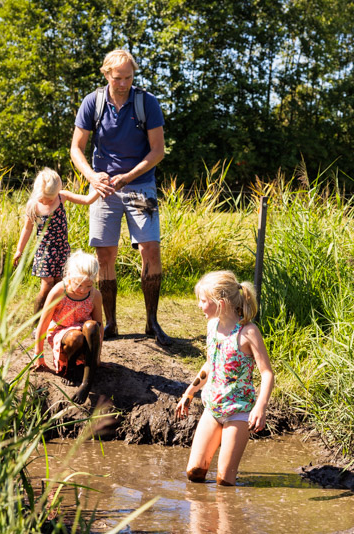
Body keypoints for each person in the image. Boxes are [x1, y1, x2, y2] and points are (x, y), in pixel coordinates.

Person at [70, 49, 171, 346]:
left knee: (150, 249)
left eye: (129, 77)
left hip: (140, 187)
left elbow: (158, 150)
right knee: (105, 255)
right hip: (103, 188)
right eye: (118, 78)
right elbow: (76, 148)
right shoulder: (93, 102)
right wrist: (92, 177)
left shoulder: (146, 102)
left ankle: (152, 322)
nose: (124, 82)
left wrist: (129, 176)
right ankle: (110, 323)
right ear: (106, 74)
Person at [175, 271, 275, 486]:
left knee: (224, 482)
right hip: (212, 407)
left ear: (219, 303)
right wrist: (189, 392)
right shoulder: (212, 326)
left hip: (238, 412)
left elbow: (267, 373)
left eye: (203, 301)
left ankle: (228, 518)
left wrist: (260, 407)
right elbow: (211, 364)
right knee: (194, 473)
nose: (199, 306)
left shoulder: (248, 333)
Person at [13, 168, 100, 326]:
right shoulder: (33, 206)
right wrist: (19, 249)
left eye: (51, 198)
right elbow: (27, 229)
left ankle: (56, 320)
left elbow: (87, 200)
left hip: (62, 250)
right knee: (47, 286)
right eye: (44, 199)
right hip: (44, 252)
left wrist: (100, 189)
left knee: (61, 286)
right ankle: (37, 323)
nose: (47, 202)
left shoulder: (62, 197)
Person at [33, 250, 103, 404]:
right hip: (62, 332)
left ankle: (86, 382)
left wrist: (97, 356)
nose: (83, 290)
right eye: (79, 285)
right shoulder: (59, 291)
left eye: (88, 285)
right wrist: (39, 356)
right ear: (69, 275)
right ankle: (68, 370)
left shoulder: (95, 295)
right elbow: (43, 324)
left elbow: (99, 326)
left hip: (85, 333)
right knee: (75, 337)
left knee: (92, 326)